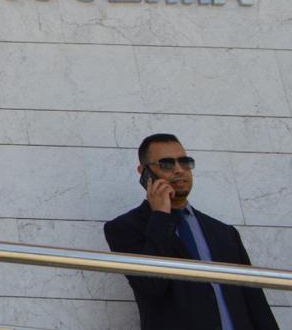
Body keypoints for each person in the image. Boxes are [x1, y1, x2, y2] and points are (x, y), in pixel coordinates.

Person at [103, 134, 278, 330]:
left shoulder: (224, 233)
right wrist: (160, 216)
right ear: (144, 172)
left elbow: (256, 304)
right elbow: (151, 285)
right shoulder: (124, 228)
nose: (179, 170)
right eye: (166, 164)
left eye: (185, 162)